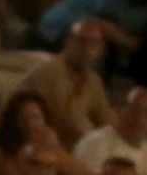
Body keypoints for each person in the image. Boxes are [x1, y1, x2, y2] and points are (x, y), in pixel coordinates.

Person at [25, 17, 110, 149]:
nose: (86, 48)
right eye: (81, 41)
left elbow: (105, 121)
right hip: (42, 144)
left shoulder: (94, 81)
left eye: (93, 44)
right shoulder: (48, 71)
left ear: (100, 49)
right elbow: (64, 121)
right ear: (68, 41)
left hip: (78, 148)